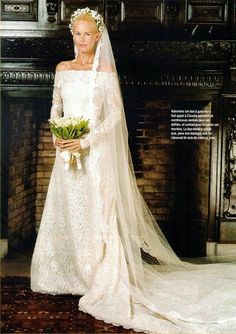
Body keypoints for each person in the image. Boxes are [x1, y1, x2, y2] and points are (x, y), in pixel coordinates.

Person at [30, 7, 236, 334]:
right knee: (71, 211)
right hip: (66, 153)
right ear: (73, 36)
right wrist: (59, 134)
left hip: (94, 155)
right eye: (77, 34)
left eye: (88, 34)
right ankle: (71, 273)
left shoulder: (106, 70)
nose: (82, 40)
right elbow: (56, 106)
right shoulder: (62, 68)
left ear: (98, 37)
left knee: (98, 213)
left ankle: (99, 275)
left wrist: (86, 141)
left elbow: (113, 117)